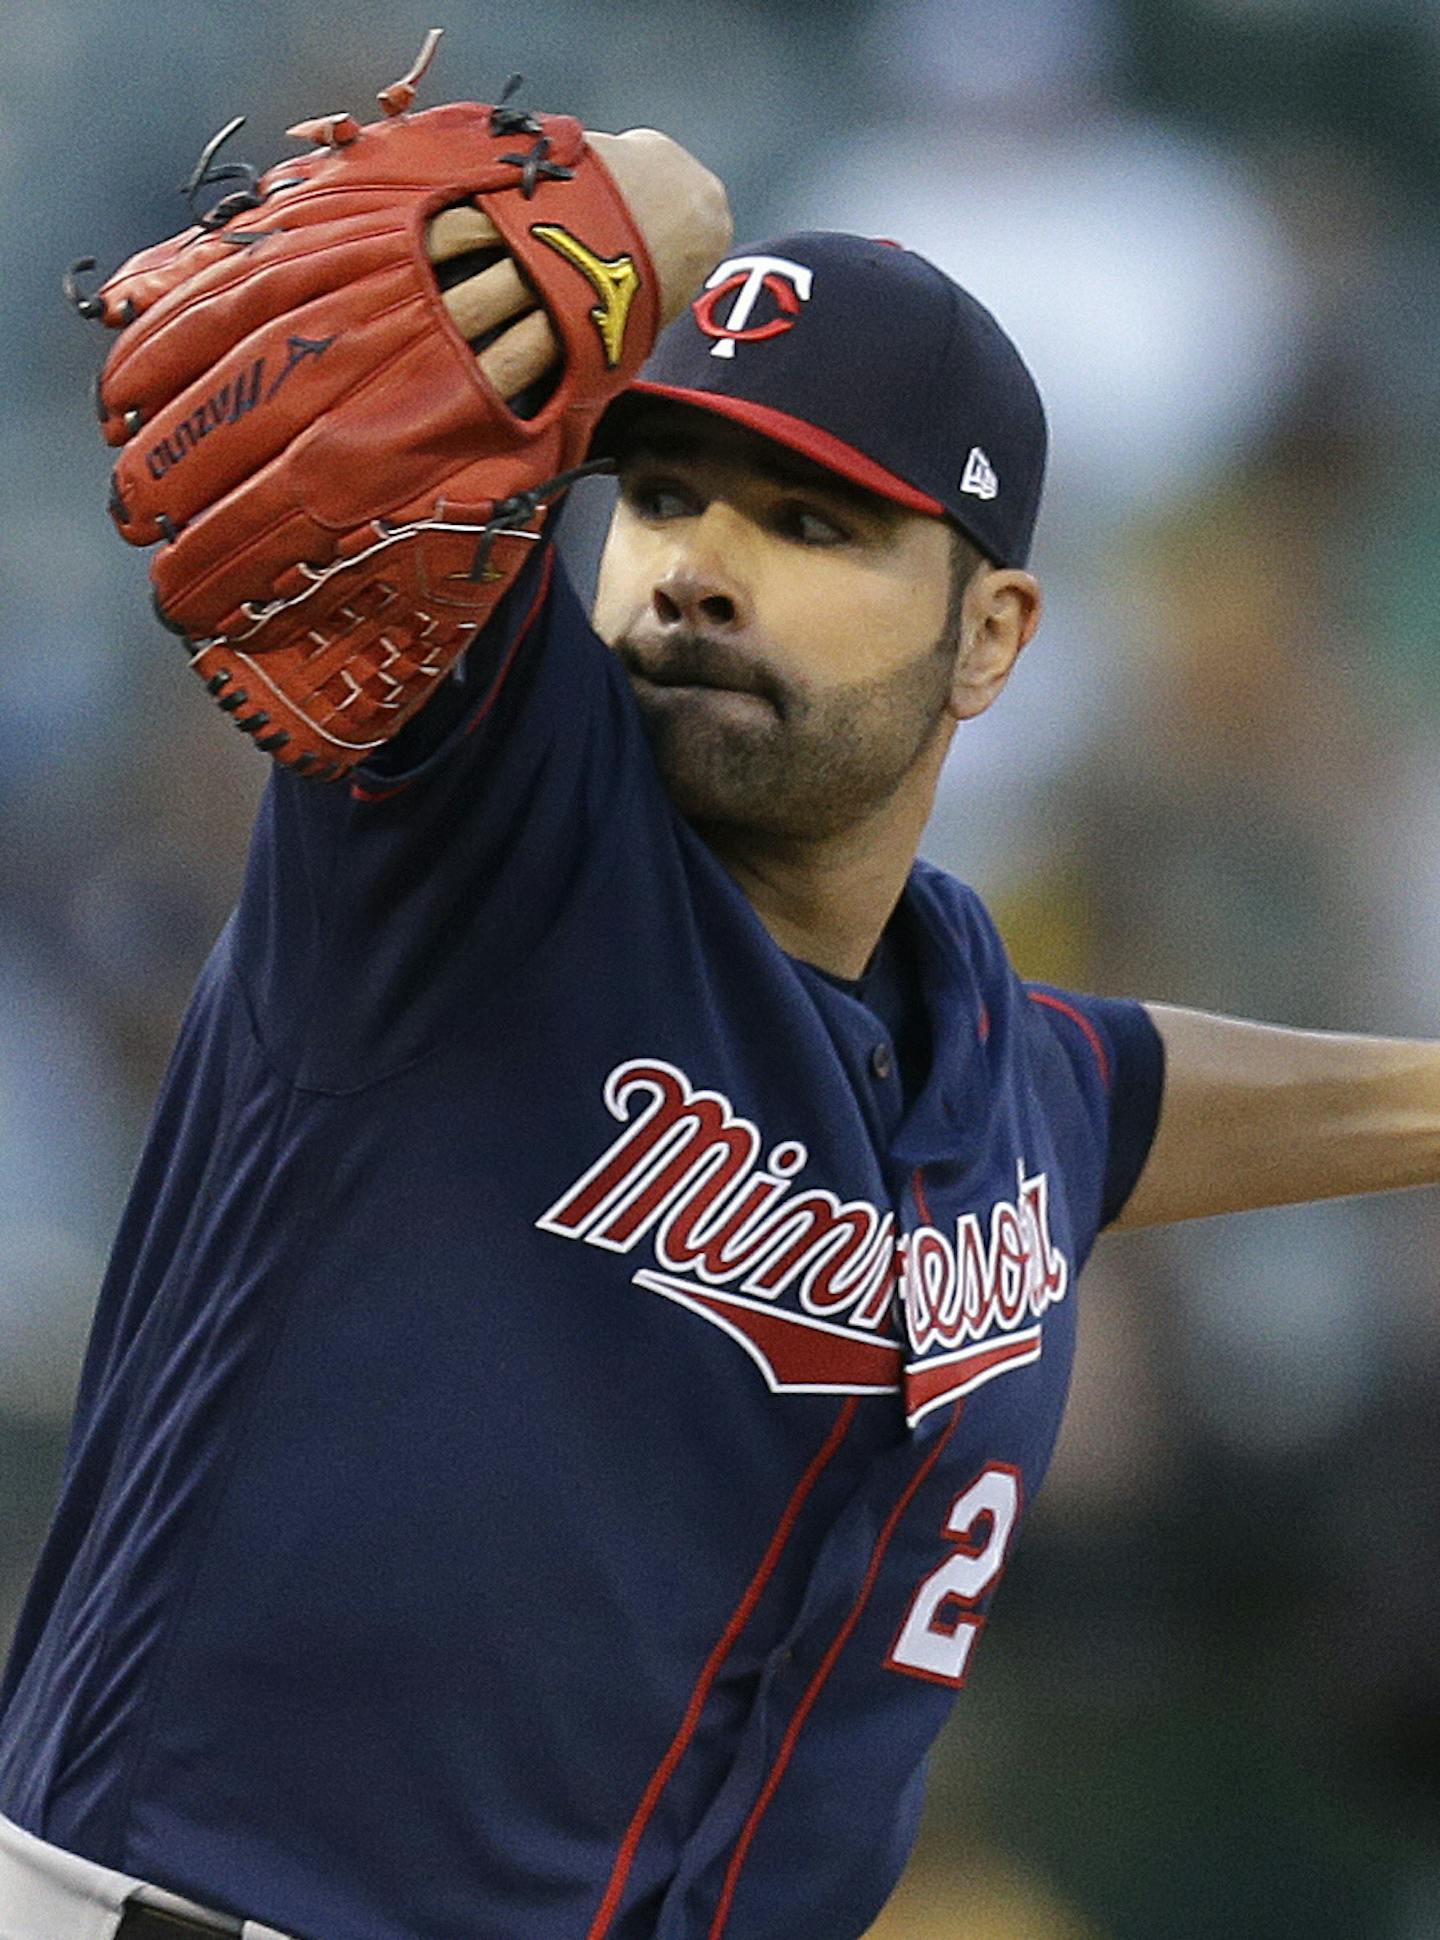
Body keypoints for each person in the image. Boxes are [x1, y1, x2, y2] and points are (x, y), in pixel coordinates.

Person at [2, 109, 1438, 1940]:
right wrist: (643, 197)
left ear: (991, 638)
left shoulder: (989, 1061)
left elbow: (1128, 1100)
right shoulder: (472, 825)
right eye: (662, 493)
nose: (692, 563)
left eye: (810, 522)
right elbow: (601, 241)